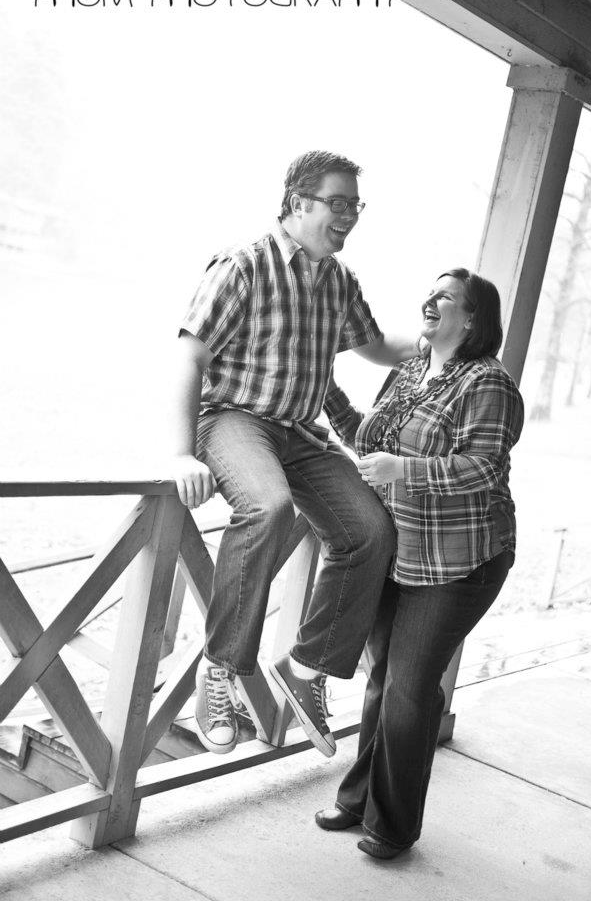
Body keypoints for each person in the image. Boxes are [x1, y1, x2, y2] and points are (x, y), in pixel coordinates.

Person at [172, 151, 417, 758]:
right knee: (268, 507)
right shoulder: (243, 266)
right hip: (233, 419)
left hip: (301, 433)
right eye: (338, 203)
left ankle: (308, 669)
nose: (349, 215)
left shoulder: (339, 281)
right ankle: (221, 669)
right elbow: (189, 358)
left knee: (370, 532)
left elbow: (377, 347)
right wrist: (180, 455)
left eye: (355, 205)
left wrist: (440, 340)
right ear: (298, 202)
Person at [316, 268, 524, 859]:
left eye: (446, 296)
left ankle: (393, 825)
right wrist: (324, 387)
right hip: (401, 553)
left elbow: (484, 467)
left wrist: (402, 470)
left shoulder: (488, 382)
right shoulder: (409, 370)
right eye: (430, 292)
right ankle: (358, 799)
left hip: (461, 563)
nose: (429, 301)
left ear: (473, 318)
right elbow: (369, 442)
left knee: (407, 691)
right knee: (383, 680)